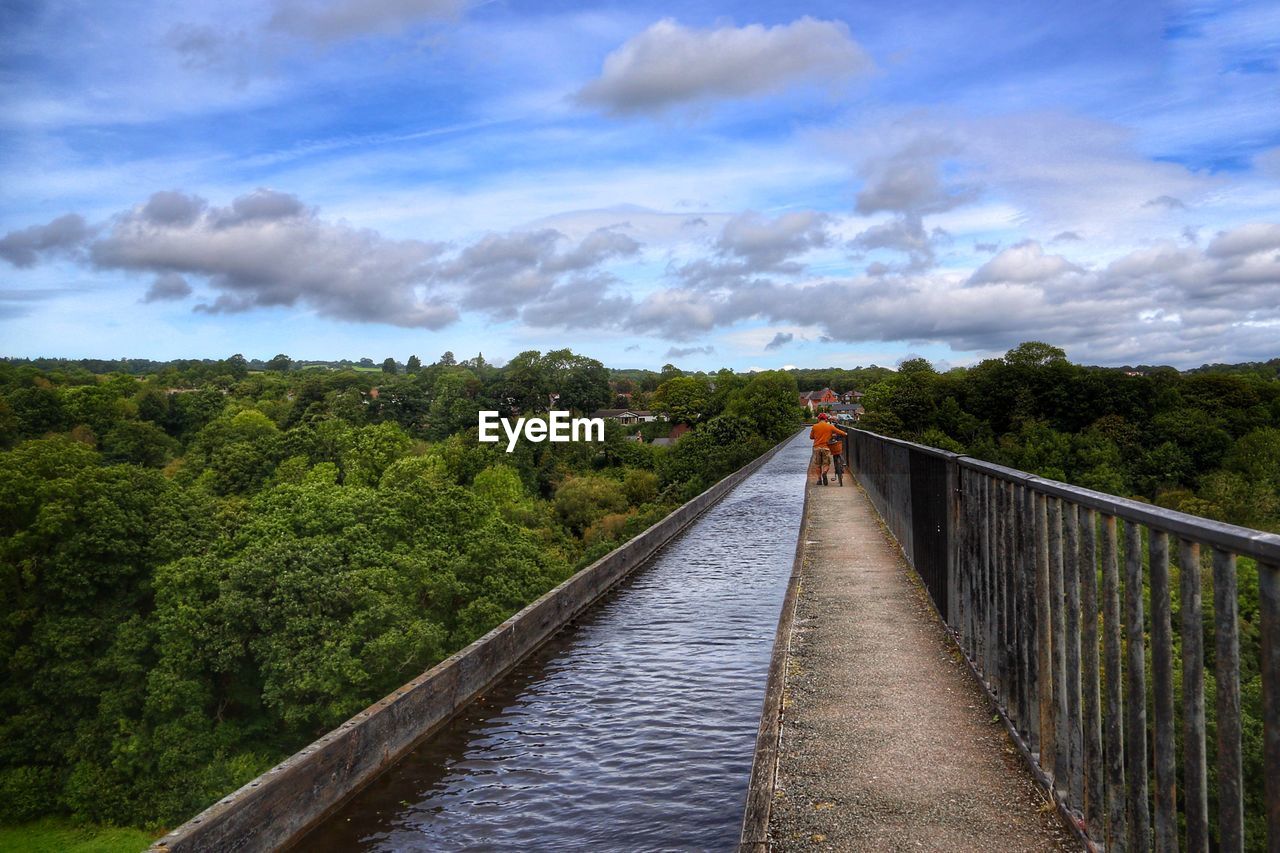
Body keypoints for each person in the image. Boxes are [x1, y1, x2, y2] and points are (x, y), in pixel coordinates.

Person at [809, 413, 847, 486]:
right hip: (826, 447)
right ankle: (824, 472)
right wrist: (845, 434)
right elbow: (839, 432)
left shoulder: (815, 426)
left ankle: (819, 480)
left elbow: (811, 437)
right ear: (826, 419)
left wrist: (817, 436)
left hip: (817, 448)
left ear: (818, 419)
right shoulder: (830, 426)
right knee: (826, 463)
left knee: (818, 464)